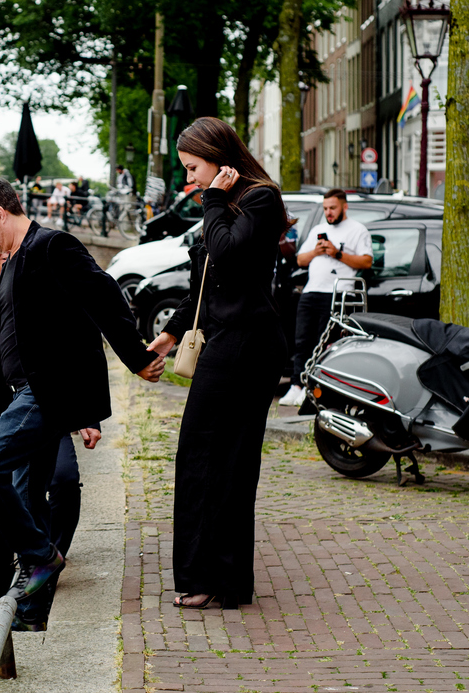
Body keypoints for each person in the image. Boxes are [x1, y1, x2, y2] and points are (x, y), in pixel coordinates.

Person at [0, 174, 164, 604]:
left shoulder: (53, 246)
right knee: (28, 496)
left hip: (46, 392)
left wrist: (137, 358)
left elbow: (104, 296)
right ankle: (33, 608)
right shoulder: (14, 259)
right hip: (24, 392)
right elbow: (18, 334)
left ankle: (42, 556)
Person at [145, 117, 291, 610]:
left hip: (249, 346)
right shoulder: (223, 205)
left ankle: (215, 577)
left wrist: (212, 201)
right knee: (206, 458)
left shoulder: (260, 199)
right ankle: (217, 577)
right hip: (225, 342)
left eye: (193, 168)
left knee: (222, 459)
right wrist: (168, 336)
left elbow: (227, 256)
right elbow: (204, 288)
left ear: (219, 158)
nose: (190, 179)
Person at [0, 240, 85, 631]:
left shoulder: (36, 282)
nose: (1, 250)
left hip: (39, 410)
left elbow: (66, 344)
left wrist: (87, 415)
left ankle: (40, 580)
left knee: (60, 483)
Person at [279, 189, 373, 408]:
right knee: (302, 340)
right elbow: (300, 260)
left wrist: (336, 253)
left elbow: (366, 262)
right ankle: (297, 384)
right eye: (325, 209)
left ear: (344, 207)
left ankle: (314, 386)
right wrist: (317, 251)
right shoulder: (318, 230)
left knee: (323, 342)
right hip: (311, 291)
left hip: (337, 293)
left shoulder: (358, 230)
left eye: (333, 208)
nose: (328, 213)